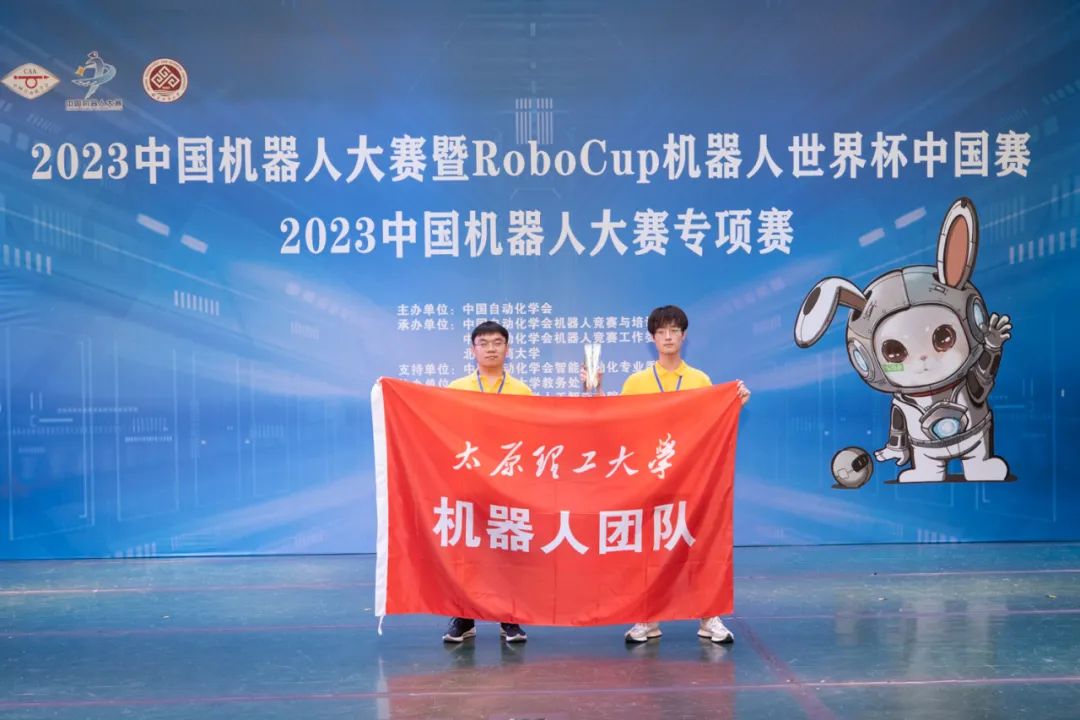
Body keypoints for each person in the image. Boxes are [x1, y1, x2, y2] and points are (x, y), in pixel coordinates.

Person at [584, 305, 750, 644]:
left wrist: (734, 404)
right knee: (649, 549)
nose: (668, 337)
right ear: (652, 339)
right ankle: (648, 618)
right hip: (650, 480)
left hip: (693, 478)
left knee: (700, 545)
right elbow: (615, 421)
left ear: (684, 336)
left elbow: (712, 424)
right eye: (661, 332)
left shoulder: (699, 380)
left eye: (674, 331)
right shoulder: (637, 382)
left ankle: (709, 617)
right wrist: (596, 391)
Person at [441, 320, 531, 644]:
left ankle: (510, 618)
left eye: (497, 342)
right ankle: (464, 618)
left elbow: (533, 437)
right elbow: (442, 430)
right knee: (467, 552)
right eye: (484, 343)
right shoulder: (457, 388)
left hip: (508, 484)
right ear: (473, 349)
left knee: (508, 549)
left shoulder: (522, 391)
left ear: (508, 348)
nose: (491, 348)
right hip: (468, 482)